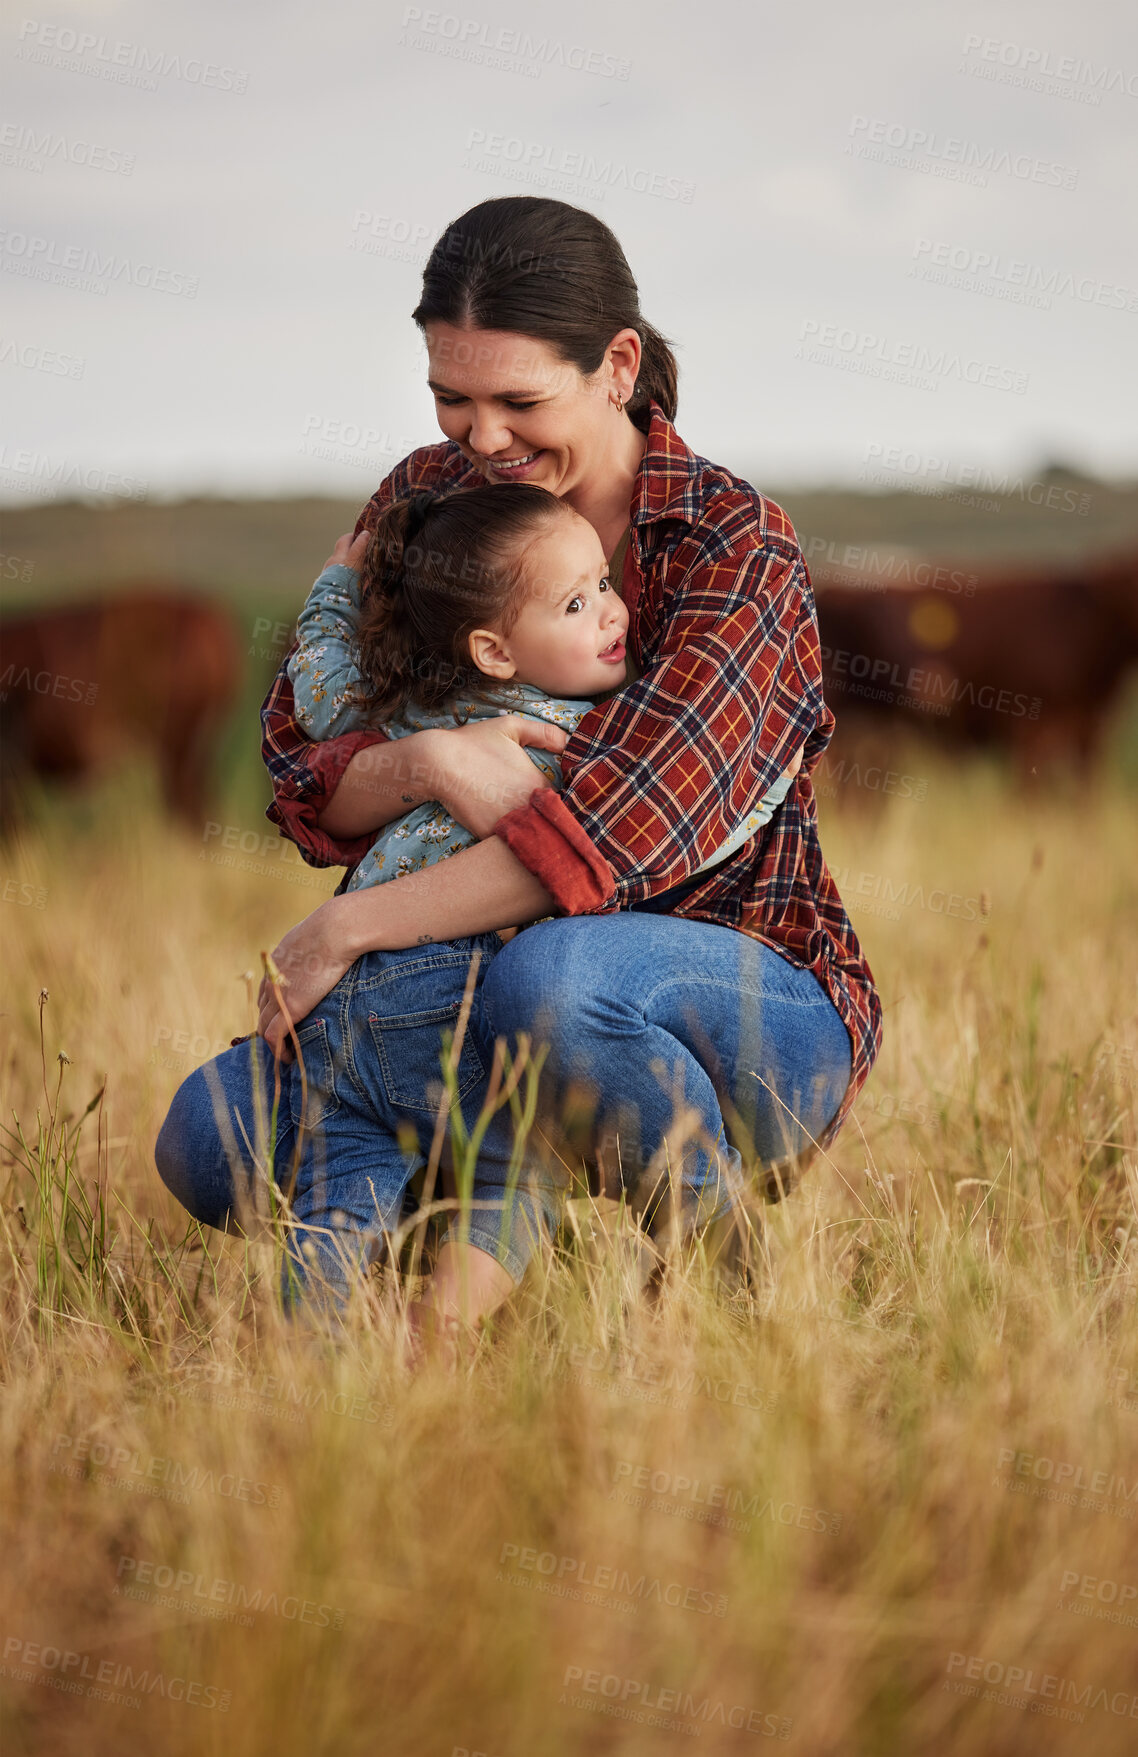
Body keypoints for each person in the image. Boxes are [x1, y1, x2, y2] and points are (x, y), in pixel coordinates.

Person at [157, 194, 882, 1337]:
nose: (480, 435)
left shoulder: (732, 546)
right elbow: (305, 762)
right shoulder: (423, 501)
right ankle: (458, 1261)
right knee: (209, 1138)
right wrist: (432, 760)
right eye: (452, 396)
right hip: (446, 1002)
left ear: (618, 364)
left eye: (518, 400)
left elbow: (612, 845)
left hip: (735, 1003)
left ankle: (727, 1292)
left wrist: (347, 926)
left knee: (554, 980)